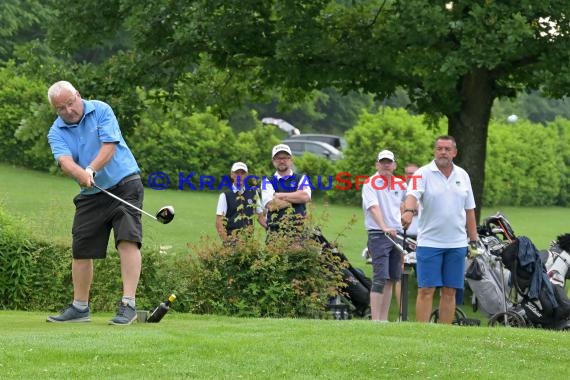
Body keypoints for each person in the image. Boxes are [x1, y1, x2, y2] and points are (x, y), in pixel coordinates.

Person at [46, 81, 143, 325]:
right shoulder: (56, 131)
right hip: (91, 195)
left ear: (78, 95)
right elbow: (65, 161)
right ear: (56, 110)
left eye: (70, 103)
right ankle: (80, 308)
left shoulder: (101, 109)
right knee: (81, 248)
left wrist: (90, 169)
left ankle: (128, 304)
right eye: (61, 108)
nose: (68, 110)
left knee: (127, 238)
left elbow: (109, 147)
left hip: (125, 184)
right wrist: (80, 174)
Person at [401, 136, 478, 324]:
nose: (443, 152)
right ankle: (422, 332)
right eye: (439, 148)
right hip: (429, 242)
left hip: (457, 243)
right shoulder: (422, 173)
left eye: (447, 149)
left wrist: (473, 240)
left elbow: (469, 211)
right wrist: (409, 212)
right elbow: (412, 195)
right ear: (434, 151)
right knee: (426, 290)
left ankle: (444, 334)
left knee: (450, 291)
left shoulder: (463, 175)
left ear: (454, 152)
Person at [362, 150, 405, 322]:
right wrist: (384, 226)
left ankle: (384, 319)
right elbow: (373, 208)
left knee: (391, 278)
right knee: (380, 277)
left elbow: (405, 204)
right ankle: (375, 320)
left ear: (394, 165)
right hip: (379, 235)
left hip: (396, 234)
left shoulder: (400, 185)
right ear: (377, 165)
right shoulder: (370, 183)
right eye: (383, 162)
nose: (386, 165)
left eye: (389, 162)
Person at [261, 144, 311, 240]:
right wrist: (296, 197)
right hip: (275, 234)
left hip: (298, 234)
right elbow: (272, 205)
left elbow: (305, 196)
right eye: (278, 158)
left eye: (285, 158)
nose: (282, 161)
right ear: (273, 161)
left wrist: (280, 195)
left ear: (291, 160)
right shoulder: (266, 181)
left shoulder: (301, 178)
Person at [392, 162, 420, 316]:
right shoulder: (399, 190)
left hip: (422, 238)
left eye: (414, 174)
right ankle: (403, 313)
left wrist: (410, 209)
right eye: (408, 174)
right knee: (399, 272)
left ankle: (422, 313)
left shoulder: (424, 190)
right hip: (402, 236)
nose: (411, 177)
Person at [216, 162, 267, 242]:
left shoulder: (253, 193)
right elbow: (219, 222)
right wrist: (227, 242)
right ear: (232, 175)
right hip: (231, 240)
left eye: (242, 173)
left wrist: (271, 229)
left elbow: (260, 217)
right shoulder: (225, 195)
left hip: (248, 242)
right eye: (236, 173)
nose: (239, 176)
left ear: (246, 176)